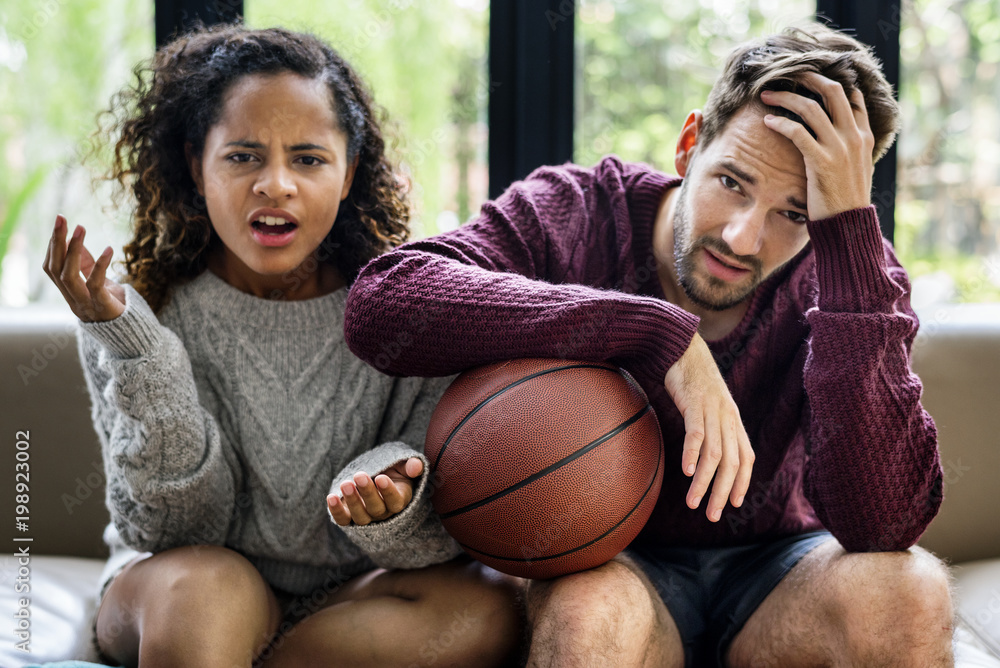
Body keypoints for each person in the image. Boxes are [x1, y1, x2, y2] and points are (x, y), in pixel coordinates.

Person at [343, 22, 954, 667]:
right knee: (588, 611)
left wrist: (849, 241)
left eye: (795, 213)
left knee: (909, 591)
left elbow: (882, 525)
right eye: (733, 183)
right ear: (690, 146)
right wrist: (654, 332)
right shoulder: (576, 212)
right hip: (610, 565)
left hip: (780, 575)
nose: (744, 238)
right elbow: (383, 303)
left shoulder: (854, 272)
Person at [42, 24, 522, 668]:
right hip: (180, 585)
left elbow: (434, 539)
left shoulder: (406, 307)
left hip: (346, 596)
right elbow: (174, 530)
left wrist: (390, 500)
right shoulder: (133, 312)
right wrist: (141, 351)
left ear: (349, 172)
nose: (276, 184)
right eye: (243, 156)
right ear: (195, 164)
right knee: (206, 596)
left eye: (308, 158)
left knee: (487, 609)